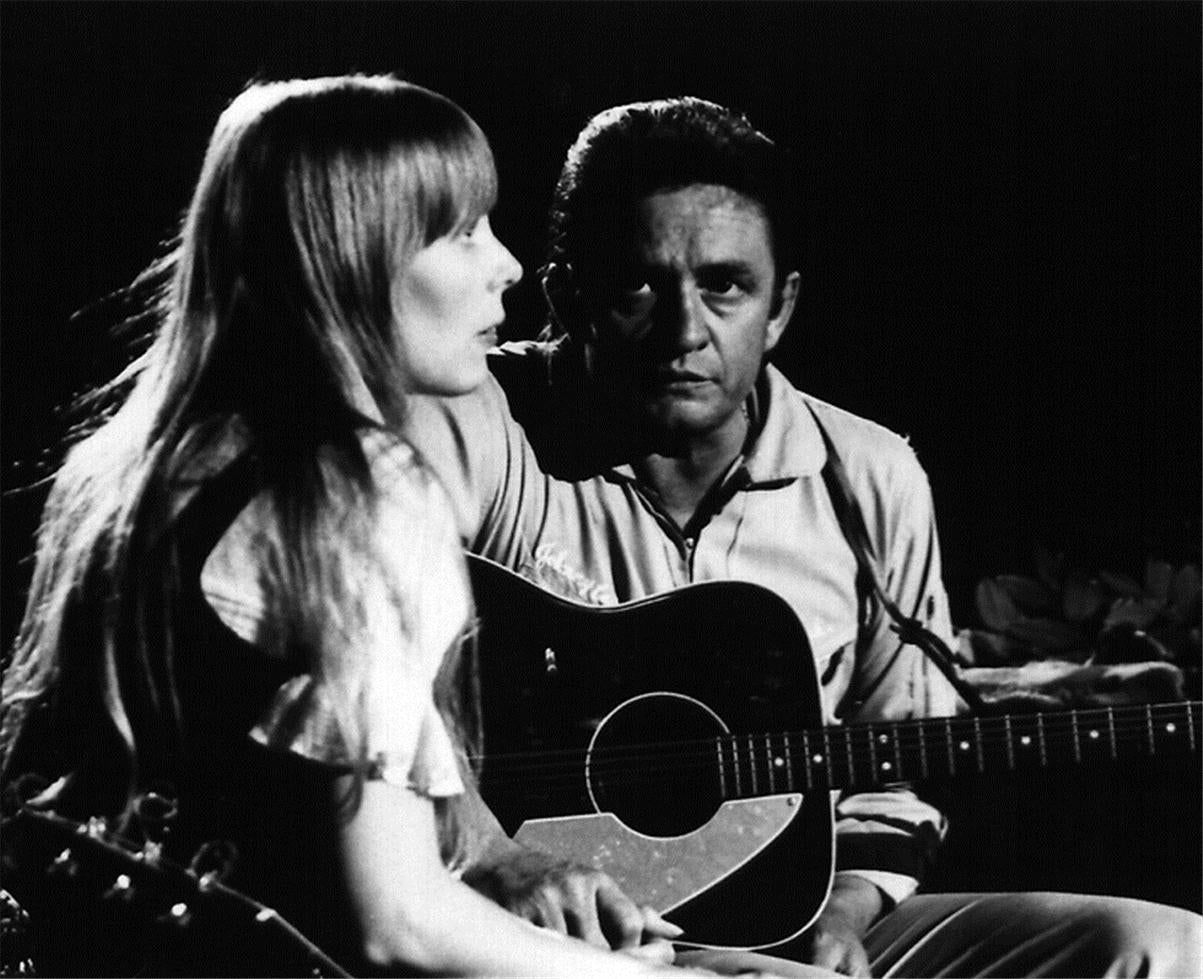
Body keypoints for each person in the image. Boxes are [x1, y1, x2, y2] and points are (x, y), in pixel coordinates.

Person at [402, 97, 1203, 977]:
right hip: (544, 926)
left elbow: (899, 757)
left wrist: (846, 911)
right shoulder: (474, 421)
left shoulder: (868, 476)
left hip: (789, 912)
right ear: (567, 296)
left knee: (1157, 946)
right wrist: (494, 851)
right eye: (637, 285)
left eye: (724, 286)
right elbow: (357, 673)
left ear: (778, 308)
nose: (683, 332)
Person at [0, 76, 712, 978]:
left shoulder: (118, 473)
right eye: (462, 231)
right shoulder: (360, 496)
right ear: (356, 255)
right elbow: (400, 922)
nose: (509, 266)